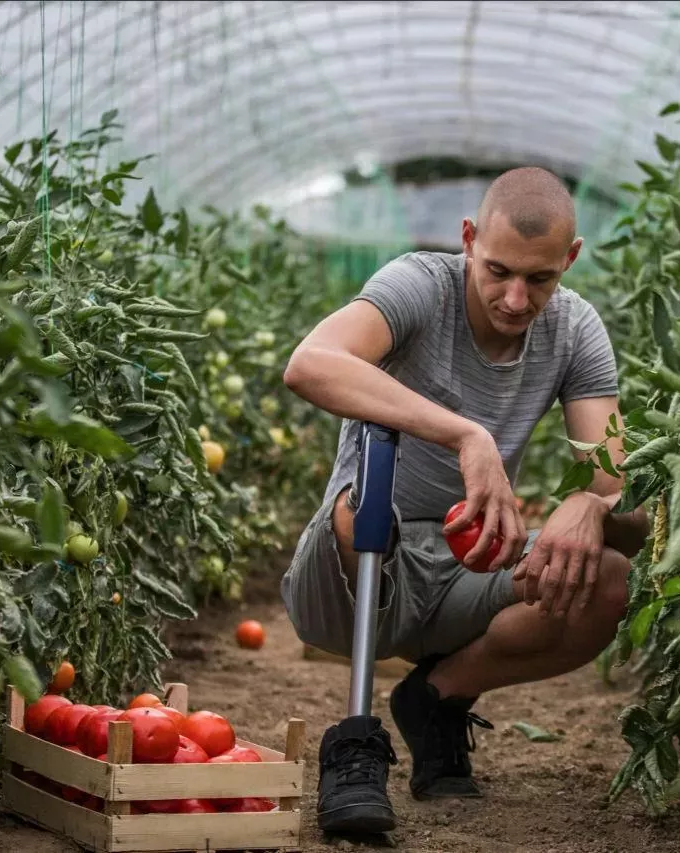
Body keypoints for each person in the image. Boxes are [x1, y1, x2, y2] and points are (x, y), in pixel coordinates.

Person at [279, 166, 651, 835]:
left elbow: (620, 485)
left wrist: (591, 505)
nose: (514, 298)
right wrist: (464, 434)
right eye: (497, 269)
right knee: (362, 502)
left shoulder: (574, 330)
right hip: (353, 576)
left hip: (466, 564)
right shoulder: (420, 285)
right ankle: (356, 741)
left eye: (540, 278)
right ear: (468, 238)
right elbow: (311, 363)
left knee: (608, 577)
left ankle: (436, 697)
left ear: (570, 259)